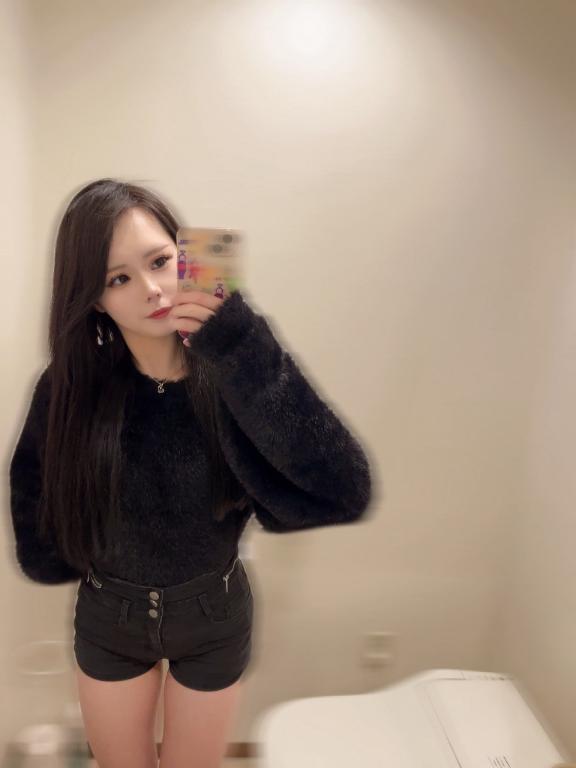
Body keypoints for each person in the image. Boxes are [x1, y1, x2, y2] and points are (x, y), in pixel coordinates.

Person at [8, 178, 373, 768]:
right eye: (118, 279)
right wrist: (51, 553)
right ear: (94, 298)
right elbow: (33, 480)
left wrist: (241, 345)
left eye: (159, 262)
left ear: (183, 256)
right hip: (110, 614)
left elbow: (343, 488)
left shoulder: (234, 371)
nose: (152, 289)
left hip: (213, 612)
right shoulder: (71, 386)